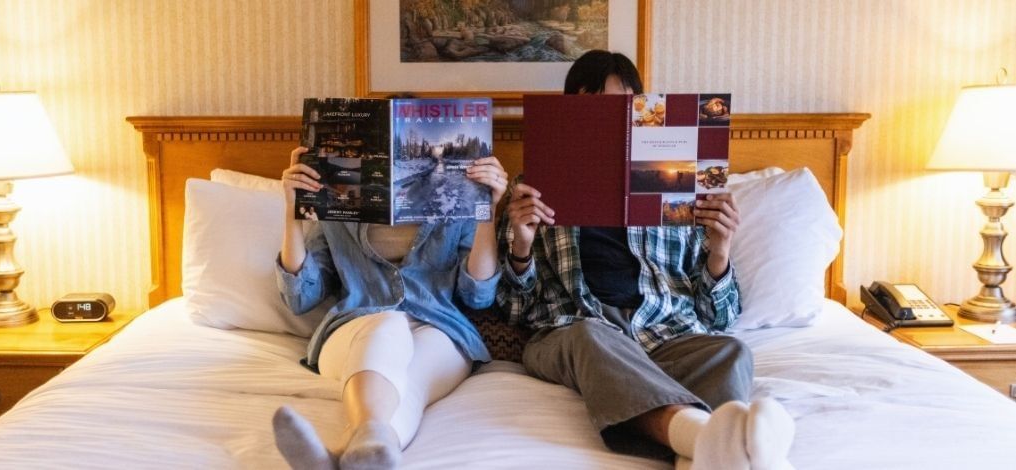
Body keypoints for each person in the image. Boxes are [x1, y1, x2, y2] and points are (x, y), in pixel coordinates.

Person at [497, 50, 795, 470]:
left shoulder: (681, 181)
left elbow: (717, 318)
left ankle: (699, 455)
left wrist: (720, 247)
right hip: (576, 331)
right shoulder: (531, 187)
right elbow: (514, 310)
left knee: (732, 352)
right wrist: (522, 246)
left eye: (620, 107)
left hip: (664, 333)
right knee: (591, 337)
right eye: (589, 108)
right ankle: (707, 434)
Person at [272, 144, 508, 469]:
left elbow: (478, 296)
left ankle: (343, 453)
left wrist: (487, 211)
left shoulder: (456, 201)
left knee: (412, 380)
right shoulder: (338, 205)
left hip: (439, 330)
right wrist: (292, 211)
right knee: (387, 324)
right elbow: (301, 297)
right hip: (356, 328)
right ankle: (367, 442)